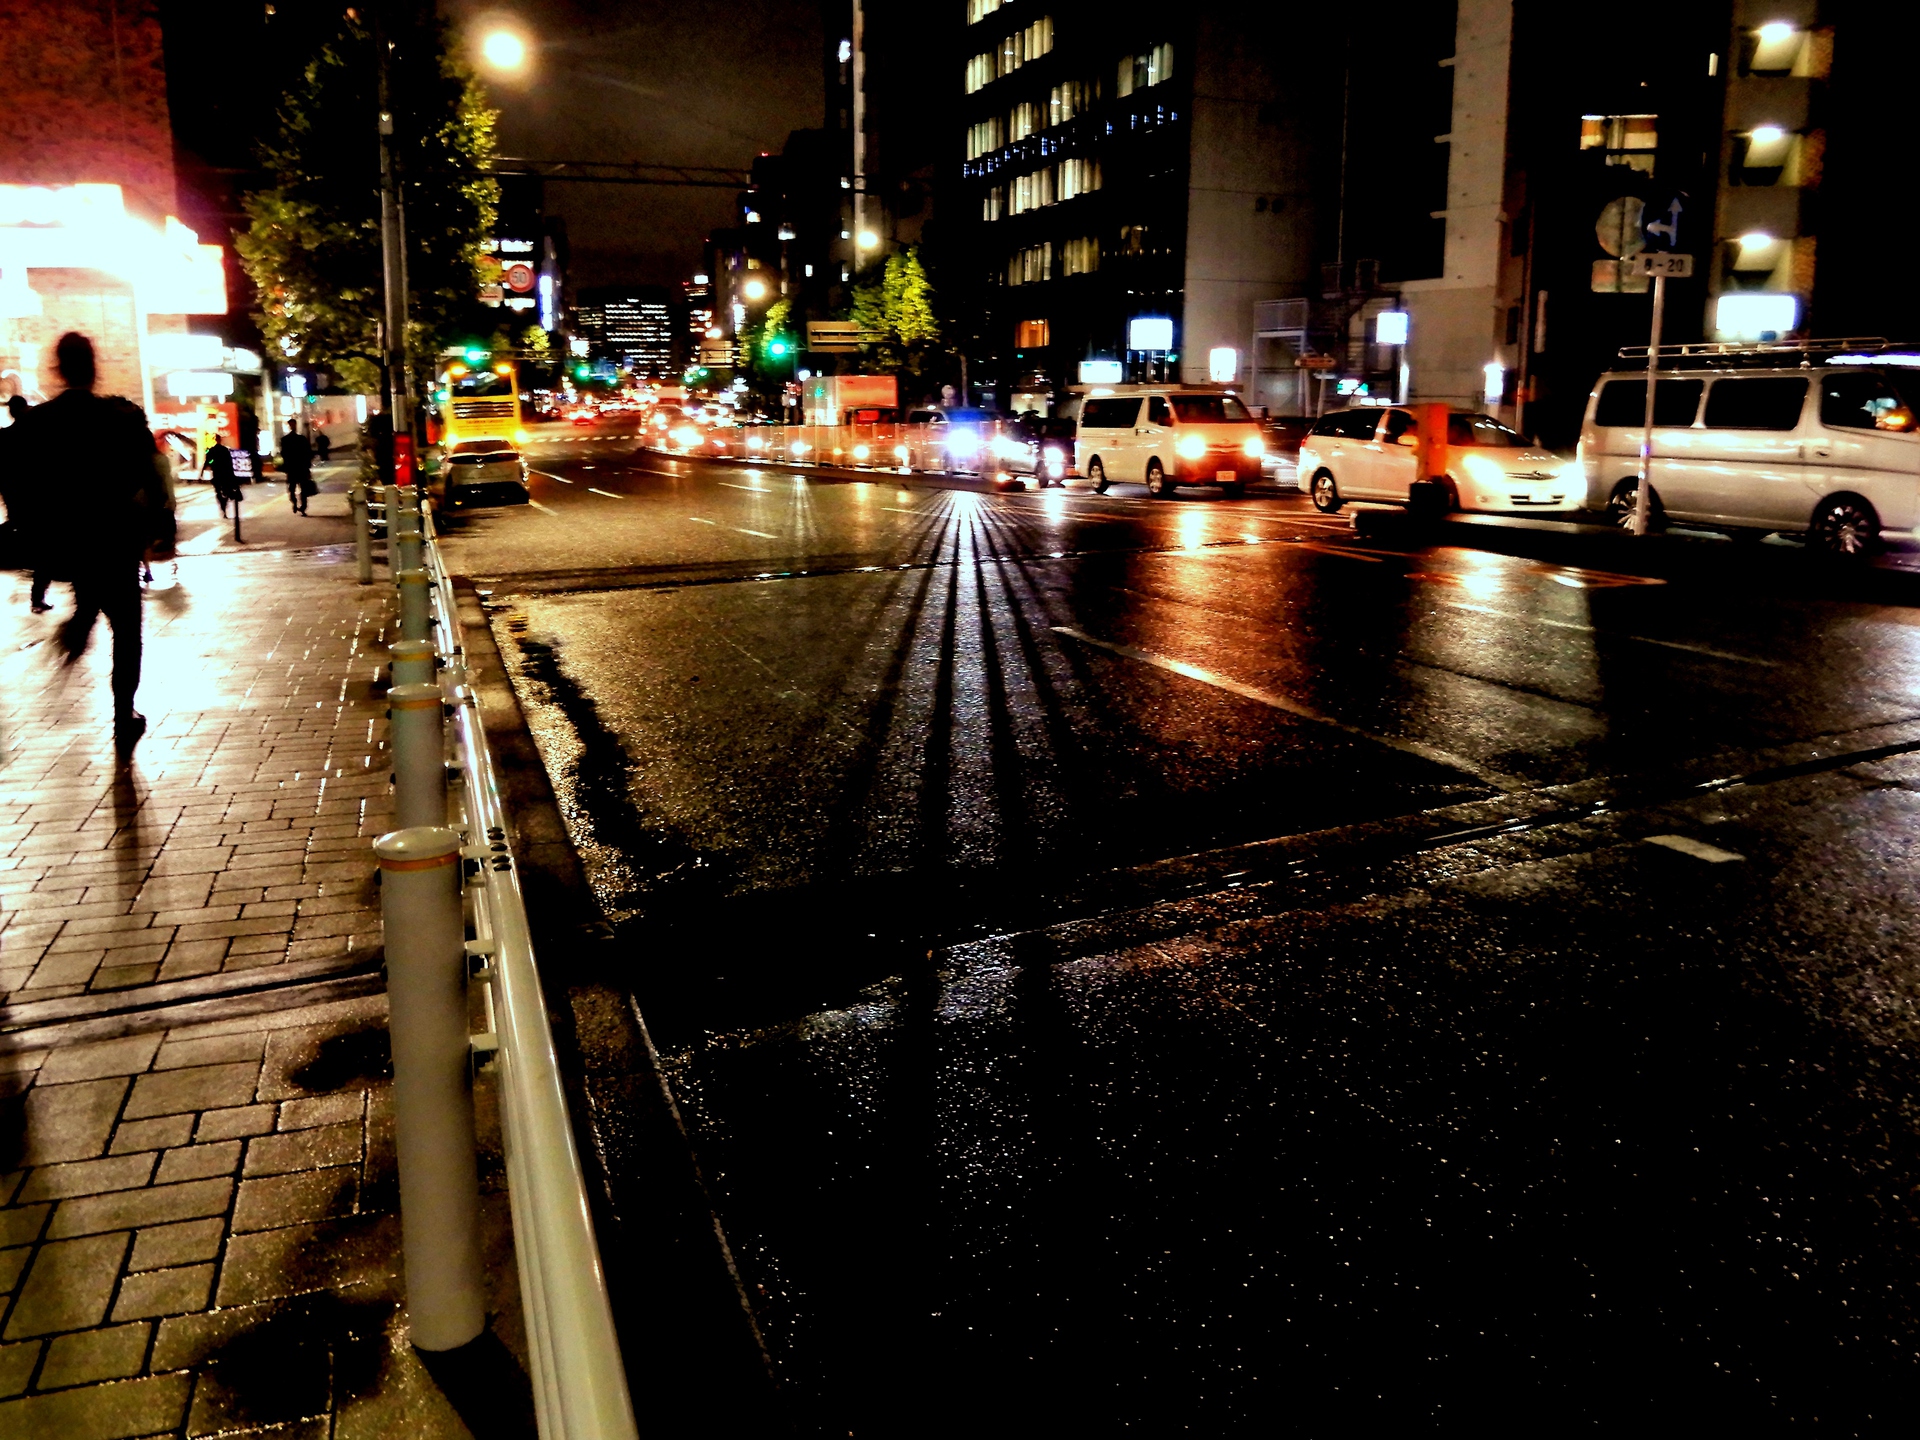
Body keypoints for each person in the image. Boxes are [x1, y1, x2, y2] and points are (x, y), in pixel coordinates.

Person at [10, 332, 165, 748]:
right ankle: (122, 713)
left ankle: (81, 621)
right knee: (127, 630)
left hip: (70, 543)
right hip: (115, 539)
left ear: (58, 369)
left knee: (91, 592)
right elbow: (151, 478)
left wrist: (30, 527)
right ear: (94, 368)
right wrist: (156, 522)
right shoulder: (121, 418)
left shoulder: (35, 424)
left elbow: (12, 479)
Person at [279, 420, 312, 514]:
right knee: (303, 488)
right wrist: (307, 465)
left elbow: (283, 454)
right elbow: (308, 452)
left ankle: (295, 503)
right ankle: (303, 507)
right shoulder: (302, 439)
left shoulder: (285, 440)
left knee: (292, 488)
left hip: (292, 468)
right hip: (301, 467)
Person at [201, 435, 238, 517]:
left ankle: (223, 507)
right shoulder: (225, 450)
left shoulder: (212, 450)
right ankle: (224, 506)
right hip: (225, 474)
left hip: (217, 474)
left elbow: (208, 462)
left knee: (218, 492)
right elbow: (229, 464)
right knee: (226, 491)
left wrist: (202, 472)